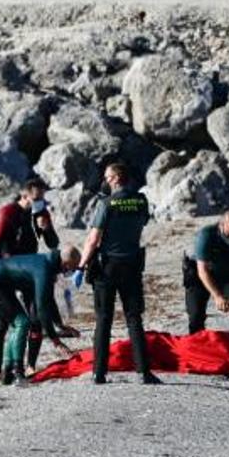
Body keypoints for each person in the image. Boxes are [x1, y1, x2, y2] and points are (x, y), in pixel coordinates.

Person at [77, 162, 160, 385]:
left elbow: (93, 239)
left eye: (107, 177)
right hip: (132, 264)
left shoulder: (106, 204)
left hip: (108, 266)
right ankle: (144, 371)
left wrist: (82, 265)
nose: (105, 181)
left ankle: (99, 372)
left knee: (104, 319)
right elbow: (141, 224)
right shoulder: (141, 201)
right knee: (134, 318)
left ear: (115, 179)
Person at [0, 245, 81, 385]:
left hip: (2, 283)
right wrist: (56, 340)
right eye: (72, 268)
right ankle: (18, 372)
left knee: (18, 324)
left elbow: (49, 300)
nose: (71, 271)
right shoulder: (43, 269)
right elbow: (42, 308)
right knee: (22, 322)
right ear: (65, 263)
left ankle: (8, 371)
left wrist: (60, 324)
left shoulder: (49, 265)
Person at [0, 178, 59, 376]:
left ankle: (30, 365)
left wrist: (46, 228)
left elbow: (53, 243)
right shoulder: (8, 212)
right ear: (24, 195)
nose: (39, 202)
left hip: (29, 270)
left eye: (42, 198)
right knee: (3, 321)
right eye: (36, 198)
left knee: (35, 318)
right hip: (8, 269)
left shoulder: (41, 213)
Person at [184, 208, 229, 374]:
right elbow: (202, 271)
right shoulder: (206, 235)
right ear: (222, 224)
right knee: (195, 314)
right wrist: (217, 296)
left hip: (225, 275)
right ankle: (197, 357)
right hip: (199, 276)